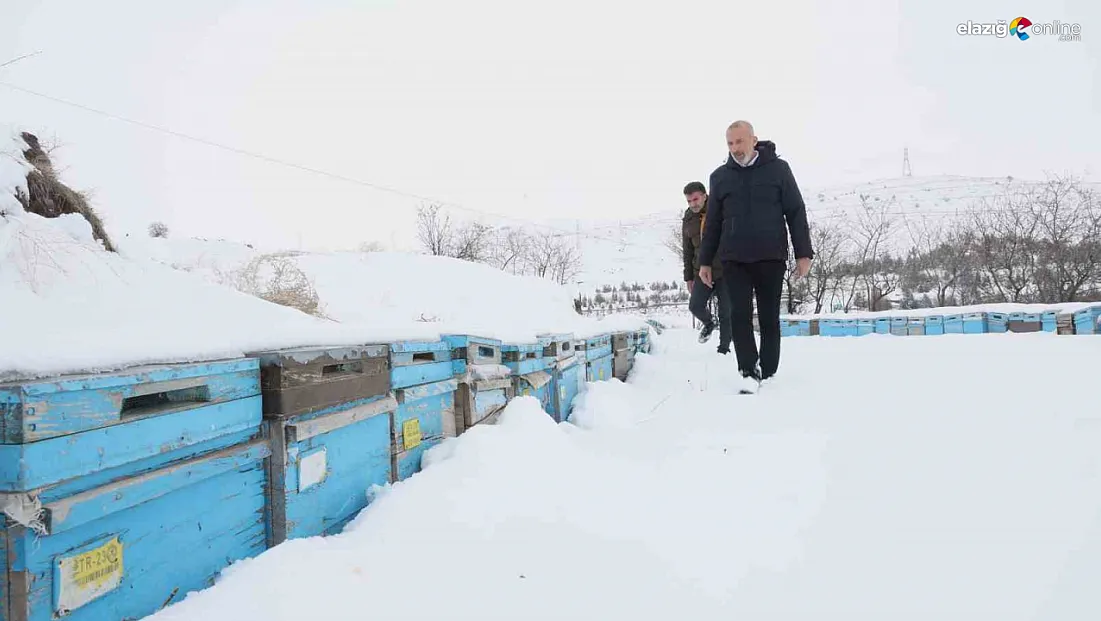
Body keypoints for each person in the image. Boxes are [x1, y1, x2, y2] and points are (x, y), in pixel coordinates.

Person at [697, 120, 813, 389]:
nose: (735, 148)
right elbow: (713, 223)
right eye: (730, 143)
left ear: (753, 140)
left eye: (739, 141)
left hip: (770, 255)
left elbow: (795, 210)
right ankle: (748, 370)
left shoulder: (778, 170)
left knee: (769, 315)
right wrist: (705, 261)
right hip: (734, 257)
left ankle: (769, 370)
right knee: (739, 313)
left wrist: (803, 253)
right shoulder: (720, 177)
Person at [681, 181, 732, 353]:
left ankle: (724, 349)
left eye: (695, 199)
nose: (692, 204)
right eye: (689, 201)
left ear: (704, 195)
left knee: (727, 313)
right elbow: (687, 250)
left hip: (725, 270)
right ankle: (709, 323)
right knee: (695, 305)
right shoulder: (688, 218)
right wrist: (688, 277)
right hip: (701, 272)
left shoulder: (720, 208)